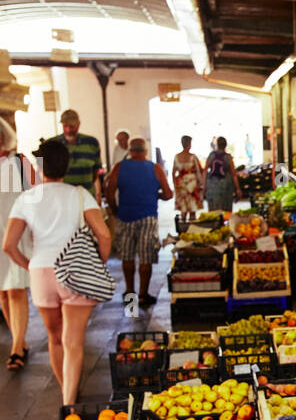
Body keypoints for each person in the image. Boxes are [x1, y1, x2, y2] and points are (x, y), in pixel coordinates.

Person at [3, 139, 110, 404]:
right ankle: (68, 399)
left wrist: (30, 265)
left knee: (55, 339)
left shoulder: (27, 198)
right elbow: (104, 236)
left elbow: (9, 245)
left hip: (41, 272)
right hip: (75, 271)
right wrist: (98, 263)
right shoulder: (79, 195)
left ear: (41, 168)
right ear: (67, 166)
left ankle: (67, 392)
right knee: (73, 342)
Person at [105, 137, 172, 309]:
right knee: (146, 256)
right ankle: (143, 294)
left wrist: (115, 210)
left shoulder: (119, 167)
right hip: (148, 216)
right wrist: (154, 195)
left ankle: (130, 293)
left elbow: (109, 192)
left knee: (127, 256)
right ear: (145, 151)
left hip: (125, 215)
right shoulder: (155, 168)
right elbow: (168, 194)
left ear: (130, 150)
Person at [0, 115, 37, 370]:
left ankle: (16, 348)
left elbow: (38, 196)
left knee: (16, 290)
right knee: (3, 292)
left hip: (16, 233)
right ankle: (19, 340)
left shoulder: (19, 161)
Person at [50, 109, 102, 198]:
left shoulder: (92, 143)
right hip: (62, 197)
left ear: (78, 124)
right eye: (65, 126)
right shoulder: (52, 144)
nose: (68, 130)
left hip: (86, 197)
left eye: (72, 126)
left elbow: (95, 172)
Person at [205, 136, 241, 211]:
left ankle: (214, 221)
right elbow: (234, 174)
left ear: (217, 144)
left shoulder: (211, 155)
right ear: (225, 145)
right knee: (225, 210)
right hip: (226, 187)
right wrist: (237, 188)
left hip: (212, 187)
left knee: (213, 210)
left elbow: (204, 171)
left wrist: (204, 185)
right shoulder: (228, 157)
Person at [172, 135, 204, 216]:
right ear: (189, 144)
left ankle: (182, 226)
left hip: (181, 183)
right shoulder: (193, 157)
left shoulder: (177, 156)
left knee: (183, 208)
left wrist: (175, 185)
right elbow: (200, 169)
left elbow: (173, 172)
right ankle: (191, 226)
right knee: (192, 208)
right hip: (192, 183)